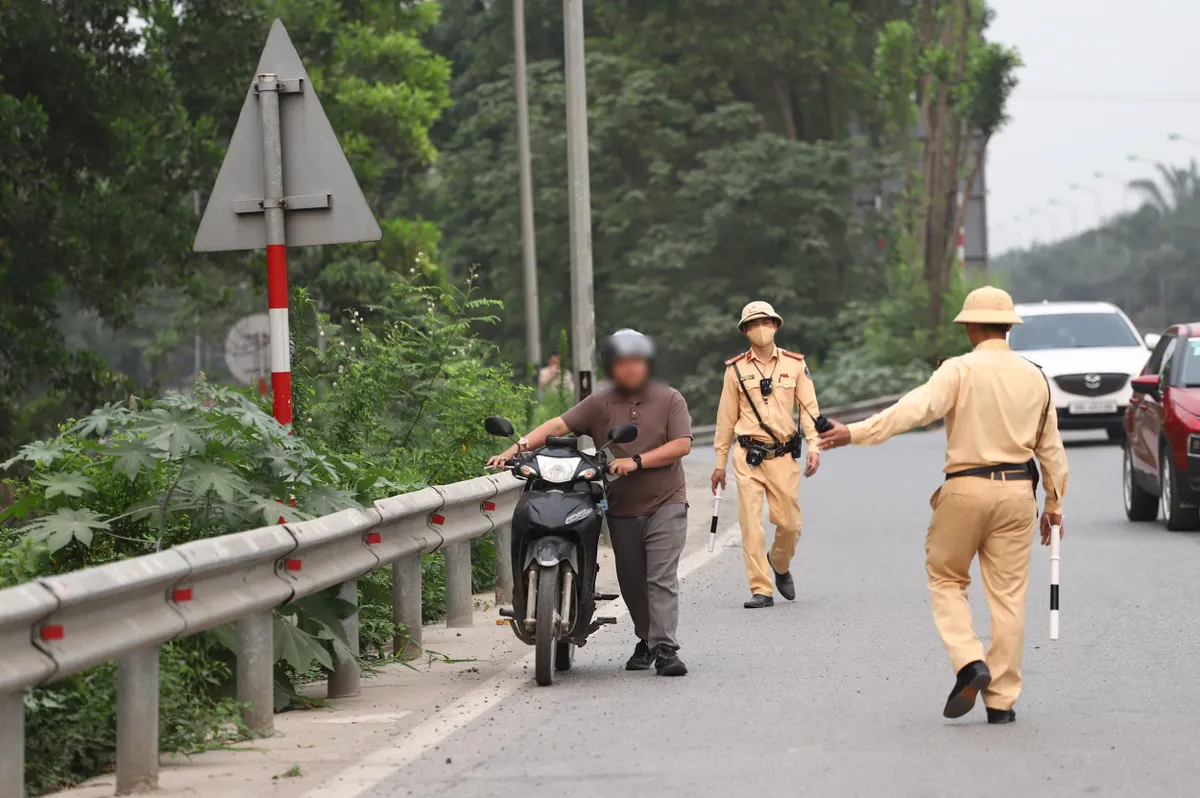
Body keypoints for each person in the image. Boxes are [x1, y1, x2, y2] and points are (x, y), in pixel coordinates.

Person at [818, 286, 1069, 724]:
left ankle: (970, 661)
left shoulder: (958, 370)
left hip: (966, 489)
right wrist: (1054, 506)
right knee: (1008, 598)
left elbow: (911, 411)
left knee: (946, 577)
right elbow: (1052, 451)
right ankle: (1002, 702)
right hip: (1016, 494)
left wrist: (853, 432)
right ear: (1008, 327)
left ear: (971, 326)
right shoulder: (1035, 377)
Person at [487, 329, 693, 676]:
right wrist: (516, 448)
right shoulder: (600, 402)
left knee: (660, 577)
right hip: (623, 506)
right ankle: (646, 639)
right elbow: (559, 424)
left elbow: (682, 444)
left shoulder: (670, 398)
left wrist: (636, 461)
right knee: (631, 580)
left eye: (636, 362)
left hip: (666, 501)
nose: (630, 369)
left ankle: (666, 649)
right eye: (622, 363)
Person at [712, 301, 822, 610]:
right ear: (745, 330)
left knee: (789, 524)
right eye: (753, 323)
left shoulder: (795, 364)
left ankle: (780, 563)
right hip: (747, 455)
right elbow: (725, 419)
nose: (760, 328)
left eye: (766, 321)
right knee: (751, 524)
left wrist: (814, 445)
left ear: (775, 325)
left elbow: (809, 410)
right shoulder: (735, 370)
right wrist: (720, 463)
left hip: (783, 456)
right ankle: (761, 588)